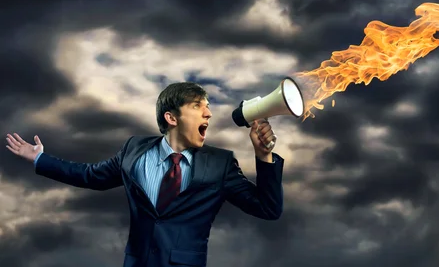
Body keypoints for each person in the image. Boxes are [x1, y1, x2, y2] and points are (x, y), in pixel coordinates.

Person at [5, 82, 284, 267]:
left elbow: (268, 209)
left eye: (208, 107)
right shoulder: (133, 150)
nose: (208, 114)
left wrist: (263, 157)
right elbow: (89, 176)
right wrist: (40, 158)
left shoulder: (220, 164)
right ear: (171, 118)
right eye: (198, 106)